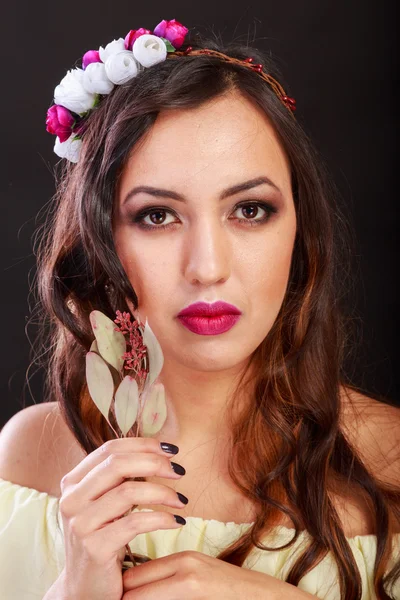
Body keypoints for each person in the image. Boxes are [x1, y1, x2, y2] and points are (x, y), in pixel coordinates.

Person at [0, 17, 399, 600]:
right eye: (157, 216)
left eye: (250, 210)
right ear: (102, 239)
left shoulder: (392, 462)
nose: (207, 266)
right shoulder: (27, 458)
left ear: (300, 230)